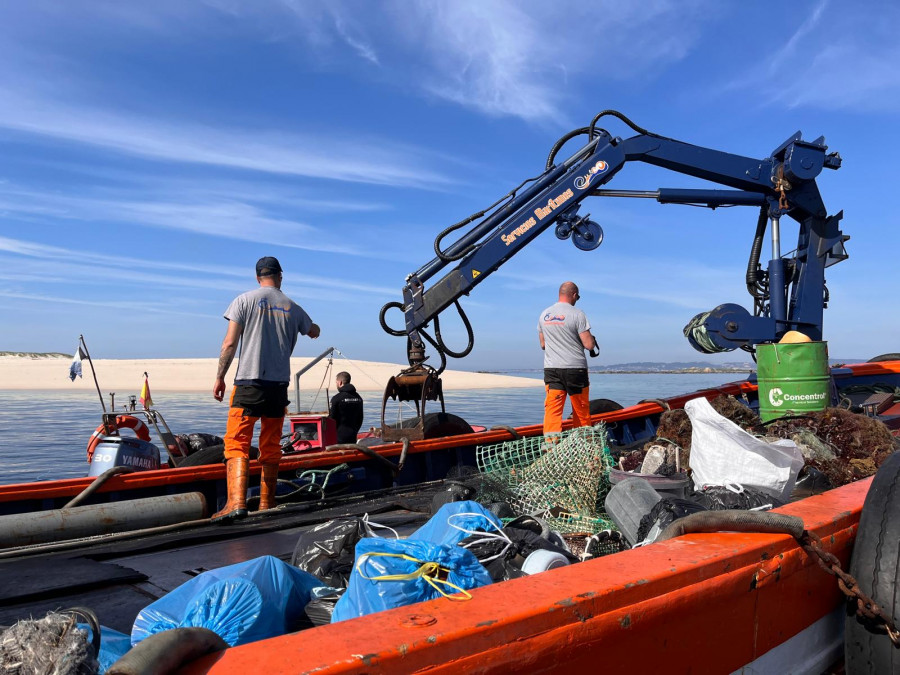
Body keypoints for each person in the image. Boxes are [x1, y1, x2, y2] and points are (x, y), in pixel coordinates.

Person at [212, 256, 320, 522]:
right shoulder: (292, 307)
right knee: (270, 445)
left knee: (237, 443)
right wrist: (309, 327)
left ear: (257, 277)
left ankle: (236, 503)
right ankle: (266, 503)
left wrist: (220, 377)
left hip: (248, 385)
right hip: (278, 388)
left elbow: (229, 343)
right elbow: (314, 331)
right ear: (280, 276)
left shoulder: (243, 301)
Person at [537, 281, 599, 437]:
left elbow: (543, 344)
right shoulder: (577, 314)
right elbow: (589, 345)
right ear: (574, 294)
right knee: (580, 409)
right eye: (578, 296)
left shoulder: (544, 314)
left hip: (552, 370)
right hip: (574, 370)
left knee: (552, 410)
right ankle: (584, 444)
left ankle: (550, 446)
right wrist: (591, 339)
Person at [328, 371, 364, 444]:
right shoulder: (359, 398)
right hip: (353, 437)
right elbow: (360, 418)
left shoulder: (336, 398)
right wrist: (355, 431)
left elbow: (331, 419)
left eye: (336, 383)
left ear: (340, 382)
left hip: (338, 438)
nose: (336, 385)